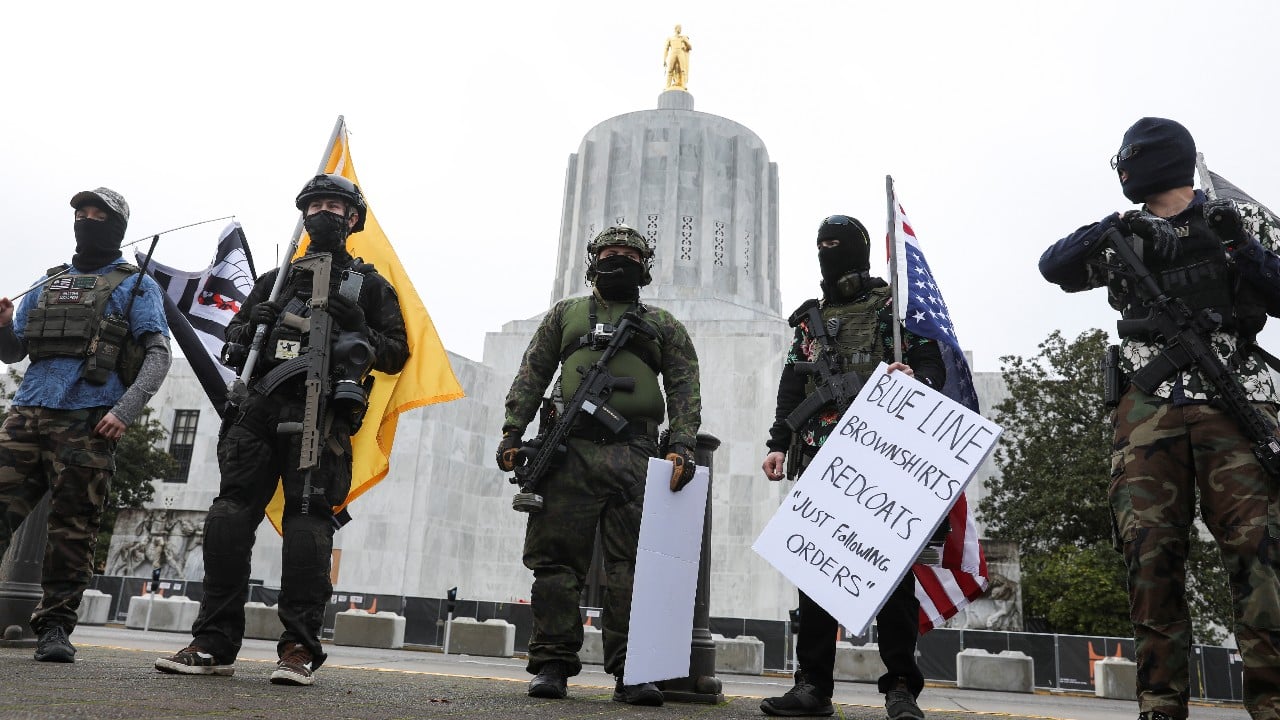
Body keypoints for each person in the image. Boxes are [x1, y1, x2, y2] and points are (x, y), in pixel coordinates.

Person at [1040, 117, 1280, 720]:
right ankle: (1161, 703)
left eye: (1131, 159)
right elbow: (1053, 266)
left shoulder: (1237, 217)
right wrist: (1115, 225)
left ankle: (1272, 700)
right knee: (1149, 556)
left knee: (1259, 555)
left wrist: (1241, 247)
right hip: (1148, 409)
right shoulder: (1124, 233)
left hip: (1238, 402)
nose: (1123, 172)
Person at [155, 174, 409, 686]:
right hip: (258, 412)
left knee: (308, 530)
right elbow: (233, 347)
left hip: (321, 417)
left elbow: (396, 353)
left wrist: (358, 323)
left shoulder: (370, 285)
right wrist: (252, 325)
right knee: (228, 521)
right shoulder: (275, 281)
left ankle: (298, 649)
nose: (323, 213)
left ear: (352, 218)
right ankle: (213, 643)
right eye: (314, 205)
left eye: (334, 206)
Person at [497, 225, 701, 707]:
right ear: (592, 261)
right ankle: (551, 664)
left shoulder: (664, 324)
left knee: (631, 569)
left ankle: (633, 670)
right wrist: (511, 431)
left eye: (630, 255)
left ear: (645, 268)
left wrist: (683, 445)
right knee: (554, 565)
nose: (619, 260)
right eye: (610, 253)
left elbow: (684, 387)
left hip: (635, 456)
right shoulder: (565, 315)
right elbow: (533, 372)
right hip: (568, 452)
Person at [759, 215, 944, 719]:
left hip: (884, 457)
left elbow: (933, 362)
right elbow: (791, 387)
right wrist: (778, 442)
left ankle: (901, 686)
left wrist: (914, 377)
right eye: (822, 246)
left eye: (836, 245)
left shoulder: (894, 307)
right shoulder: (809, 320)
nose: (828, 253)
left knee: (894, 579)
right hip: (822, 455)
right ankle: (813, 686)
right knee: (816, 572)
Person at [0, 187, 171, 663]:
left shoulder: (134, 285)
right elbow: (14, 352)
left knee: (72, 529)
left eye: (98, 213)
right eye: (81, 212)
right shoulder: (49, 281)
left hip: (88, 419)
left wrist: (126, 409)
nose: (87, 219)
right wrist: (2, 324)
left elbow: (159, 354)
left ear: (117, 225)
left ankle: (55, 627)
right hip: (27, 412)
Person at [663, 24, 692, 90]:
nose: (680, 29)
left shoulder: (683, 37)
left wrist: (685, 42)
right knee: (670, 70)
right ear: (675, 29)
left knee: (683, 69)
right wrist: (664, 59)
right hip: (673, 52)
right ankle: (667, 86)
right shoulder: (670, 38)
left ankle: (683, 85)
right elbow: (666, 49)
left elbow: (690, 47)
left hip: (680, 52)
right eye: (679, 28)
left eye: (681, 28)